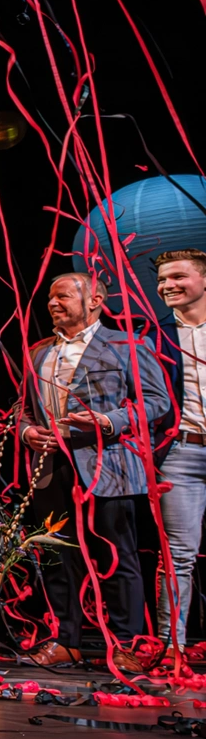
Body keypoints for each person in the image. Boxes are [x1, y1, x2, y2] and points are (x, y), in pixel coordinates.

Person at [20, 272, 169, 672]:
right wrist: (28, 432)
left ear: (95, 300)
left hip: (109, 466)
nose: (53, 303)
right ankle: (66, 641)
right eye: (50, 297)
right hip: (52, 468)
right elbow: (24, 410)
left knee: (118, 557)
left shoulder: (129, 345)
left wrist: (107, 421)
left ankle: (125, 643)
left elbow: (157, 402)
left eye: (63, 296)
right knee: (56, 557)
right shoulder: (38, 352)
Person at [156, 248, 206, 666]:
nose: (168, 285)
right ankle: (172, 646)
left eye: (178, 276)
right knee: (178, 554)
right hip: (183, 452)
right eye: (163, 279)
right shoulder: (153, 335)